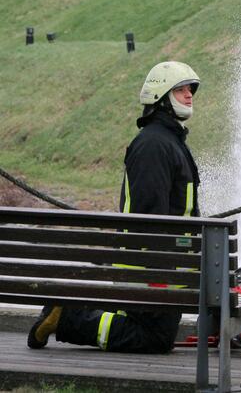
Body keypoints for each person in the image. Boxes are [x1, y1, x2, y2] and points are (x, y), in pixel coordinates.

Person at [27, 61, 202, 354]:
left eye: (190, 90)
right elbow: (149, 218)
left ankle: (73, 308)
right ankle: (68, 317)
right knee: (154, 339)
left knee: (157, 336)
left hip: (159, 268)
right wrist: (161, 273)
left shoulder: (166, 140)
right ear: (161, 97)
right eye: (181, 90)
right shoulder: (155, 146)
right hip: (152, 268)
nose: (189, 95)